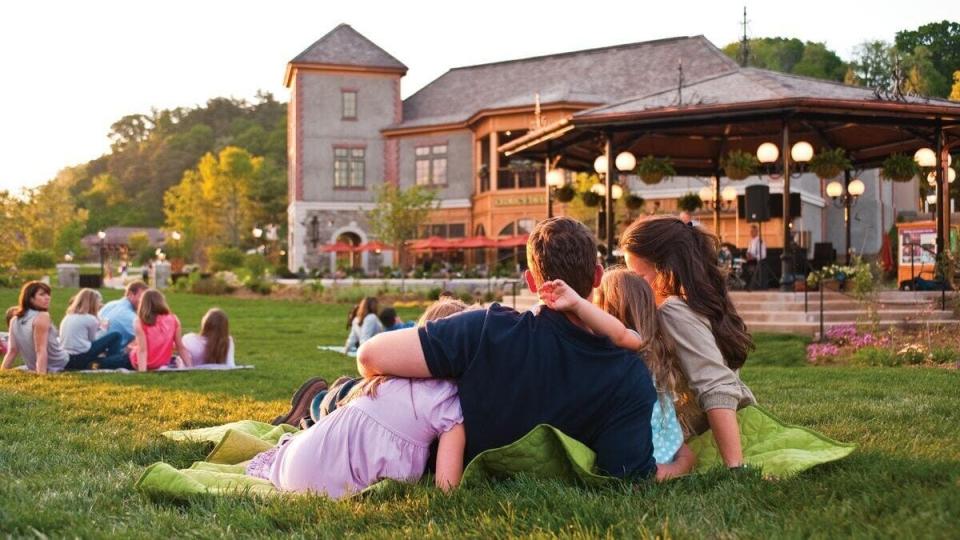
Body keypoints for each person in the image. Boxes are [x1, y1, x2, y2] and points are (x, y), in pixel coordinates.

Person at [356, 217, 659, 480]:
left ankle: (325, 400)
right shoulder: (628, 374)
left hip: (388, 436)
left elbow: (370, 355)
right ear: (597, 276)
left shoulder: (485, 329)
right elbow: (626, 476)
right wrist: (684, 462)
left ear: (530, 281)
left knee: (352, 391)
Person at [246, 299, 470, 499]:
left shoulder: (385, 376)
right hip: (326, 488)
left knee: (339, 396)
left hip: (294, 464)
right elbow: (447, 488)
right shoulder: (449, 407)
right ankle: (307, 413)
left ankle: (305, 417)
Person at [620, 215, 756, 469]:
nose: (632, 284)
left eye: (638, 276)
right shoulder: (697, 301)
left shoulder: (673, 311)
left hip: (709, 434)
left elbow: (716, 384)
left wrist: (735, 466)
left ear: (666, 269)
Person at [538, 269, 696, 482]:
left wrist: (576, 304)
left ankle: (659, 473)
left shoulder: (629, 342)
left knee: (666, 463)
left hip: (636, 449)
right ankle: (672, 469)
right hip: (666, 445)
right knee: (685, 455)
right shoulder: (654, 351)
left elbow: (617, 335)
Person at [98, 289, 191, 371]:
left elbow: (142, 350)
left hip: (135, 361)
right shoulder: (174, 319)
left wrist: (142, 372)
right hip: (159, 362)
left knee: (103, 363)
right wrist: (190, 367)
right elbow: (180, 347)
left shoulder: (140, 321)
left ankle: (91, 362)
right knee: (118, 356)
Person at [2, 281, 70, 374]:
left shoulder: (14, 320)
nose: (47, 298)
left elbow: (12, 351)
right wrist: (41, 375)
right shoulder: (42, 316)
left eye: (48, 294)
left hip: (36, 365)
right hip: (62, 363)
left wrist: (2, 372)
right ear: (30, 299)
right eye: (42, 295)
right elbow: (40, 350)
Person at [60, 288, 128, 370]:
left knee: (99, 356)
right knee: (116, 335)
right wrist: (104, 328)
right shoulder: (90, 319)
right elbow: (93, 340)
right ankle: (111, 362)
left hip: (68, 357)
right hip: (82, 355)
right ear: (93, 303)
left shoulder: (68, 316)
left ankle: (106, 361)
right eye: (98, 303)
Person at [99, 280, 149, 347]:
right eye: (142, 297)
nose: (145, 302)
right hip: (108, 353)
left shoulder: (110, 304)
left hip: (96, 347)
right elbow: (148, 338)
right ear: (130, 294)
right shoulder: (130, 317)